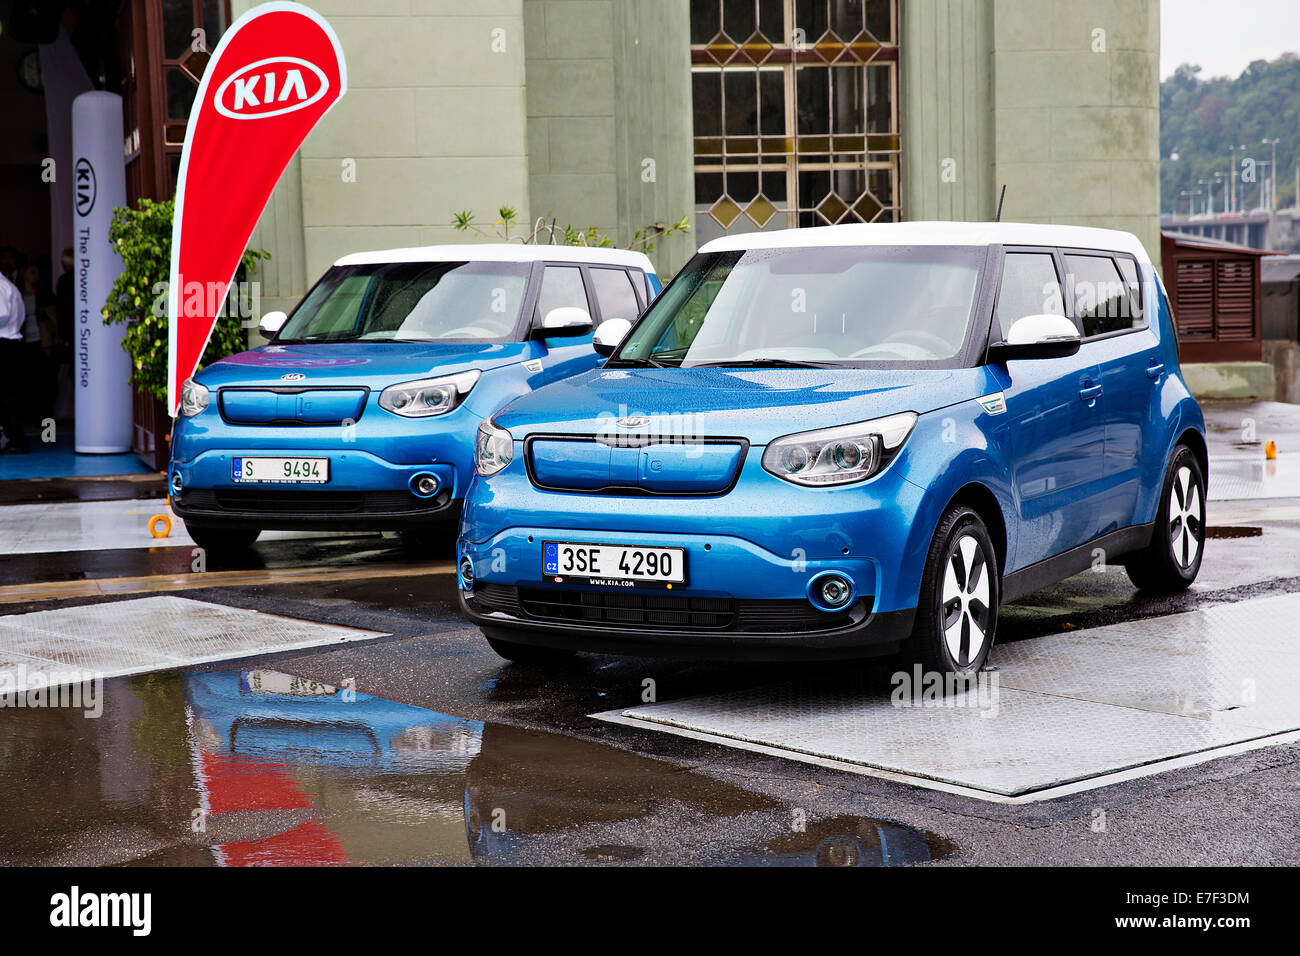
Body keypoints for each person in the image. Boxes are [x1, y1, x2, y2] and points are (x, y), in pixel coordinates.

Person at [20, 263, 56, 423]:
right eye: (32, 272)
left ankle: (47, 419)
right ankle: (31, 415)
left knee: (45, 380)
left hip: (42, 340)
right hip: (24, 341)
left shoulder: (44, 294)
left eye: (37, 272)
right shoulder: (18, 294)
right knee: (28, 380)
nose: (36, 275)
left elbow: (55, 318)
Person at [0, 269, 28, 453]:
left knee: (5, 395)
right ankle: (14, 437)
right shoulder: (8, 286)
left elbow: (2, 315)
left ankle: (15, 438)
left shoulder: (1, 286)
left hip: (4, 342)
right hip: (10, 342)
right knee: (7, 394)